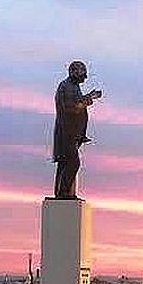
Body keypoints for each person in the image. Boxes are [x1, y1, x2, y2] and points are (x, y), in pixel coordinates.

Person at [53, 61, 103, 199]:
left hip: (72, 133)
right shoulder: (67, 86)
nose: (85, 77)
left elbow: (76, 103)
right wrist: (89, 98)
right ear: (74, 72)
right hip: (67, 132)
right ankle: (63, 194)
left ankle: (64, 193)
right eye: (82, 73)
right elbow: (72, 106)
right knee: (73, 162)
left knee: (65, 162)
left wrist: (87, 97)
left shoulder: (72, 87)